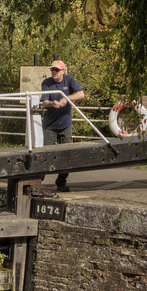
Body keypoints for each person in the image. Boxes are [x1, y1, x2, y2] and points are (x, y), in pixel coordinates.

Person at [39, 59, 85, 192]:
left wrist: (66, 98)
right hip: (50, 125)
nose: (54, 72)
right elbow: (44, 101)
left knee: (67, 154)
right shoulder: (47, 82)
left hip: (65, 124)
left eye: (57, 70)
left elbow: (81, 94)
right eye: (52, 70)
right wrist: (53, 103)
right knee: (45, 153)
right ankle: (38, 179)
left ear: (63, 71)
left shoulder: (69, 80)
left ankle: (61, 181)